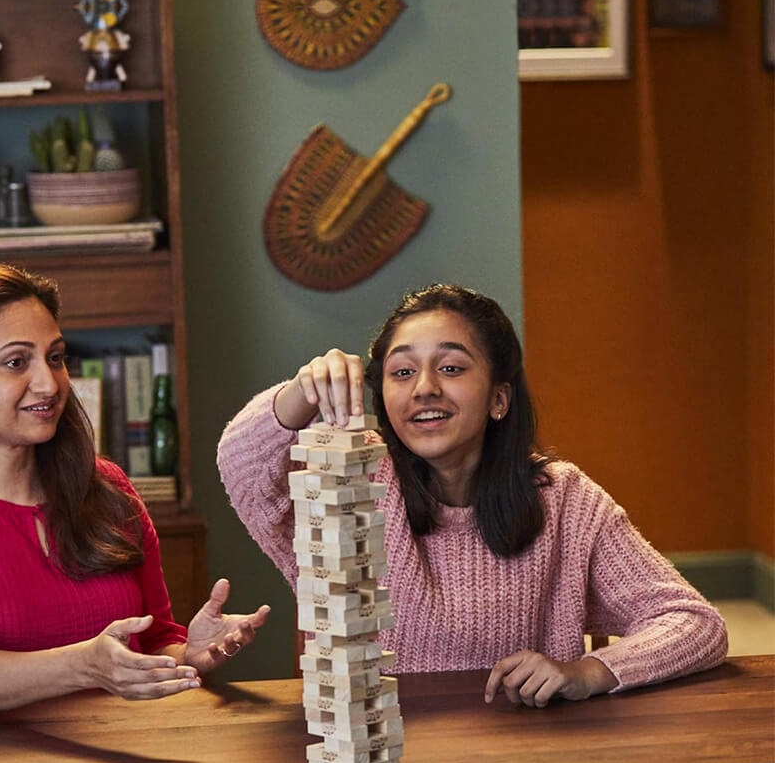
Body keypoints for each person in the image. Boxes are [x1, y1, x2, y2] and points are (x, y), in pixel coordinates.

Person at [217, 283, 727, 708]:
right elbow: (240, 466)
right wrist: (301, 393)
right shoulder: (355, 482)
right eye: (402, 372)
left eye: (452, 368)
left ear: (499, 398)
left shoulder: (564, 500)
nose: (424, 388)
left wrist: (590, 670)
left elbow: (695, 623)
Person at [0, 262, 269, 714]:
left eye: (55, 358)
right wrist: (83, 666)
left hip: (127, 760)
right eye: (16, 362)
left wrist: (186, 655)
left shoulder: (107, 490)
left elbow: (153, 641)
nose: (49, 383)